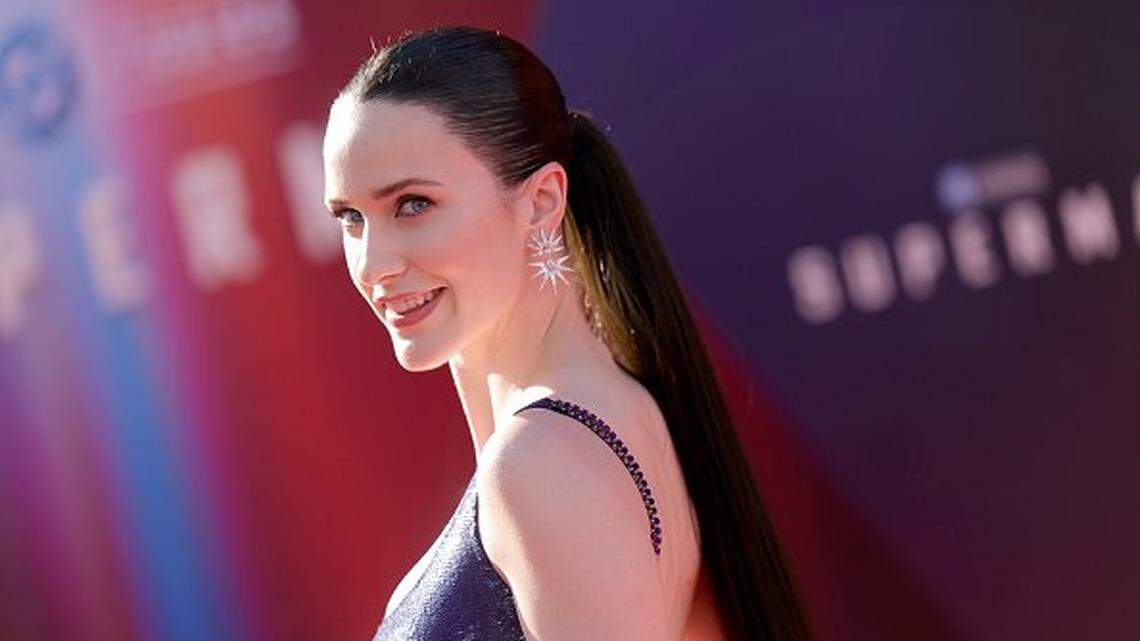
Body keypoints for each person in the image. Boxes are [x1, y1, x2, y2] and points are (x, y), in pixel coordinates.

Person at [322, 25, 815, 641]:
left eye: (413, 205)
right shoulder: (603, 413)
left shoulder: (543, 460)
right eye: (349, 218)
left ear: (541, 200)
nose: (373, 264)